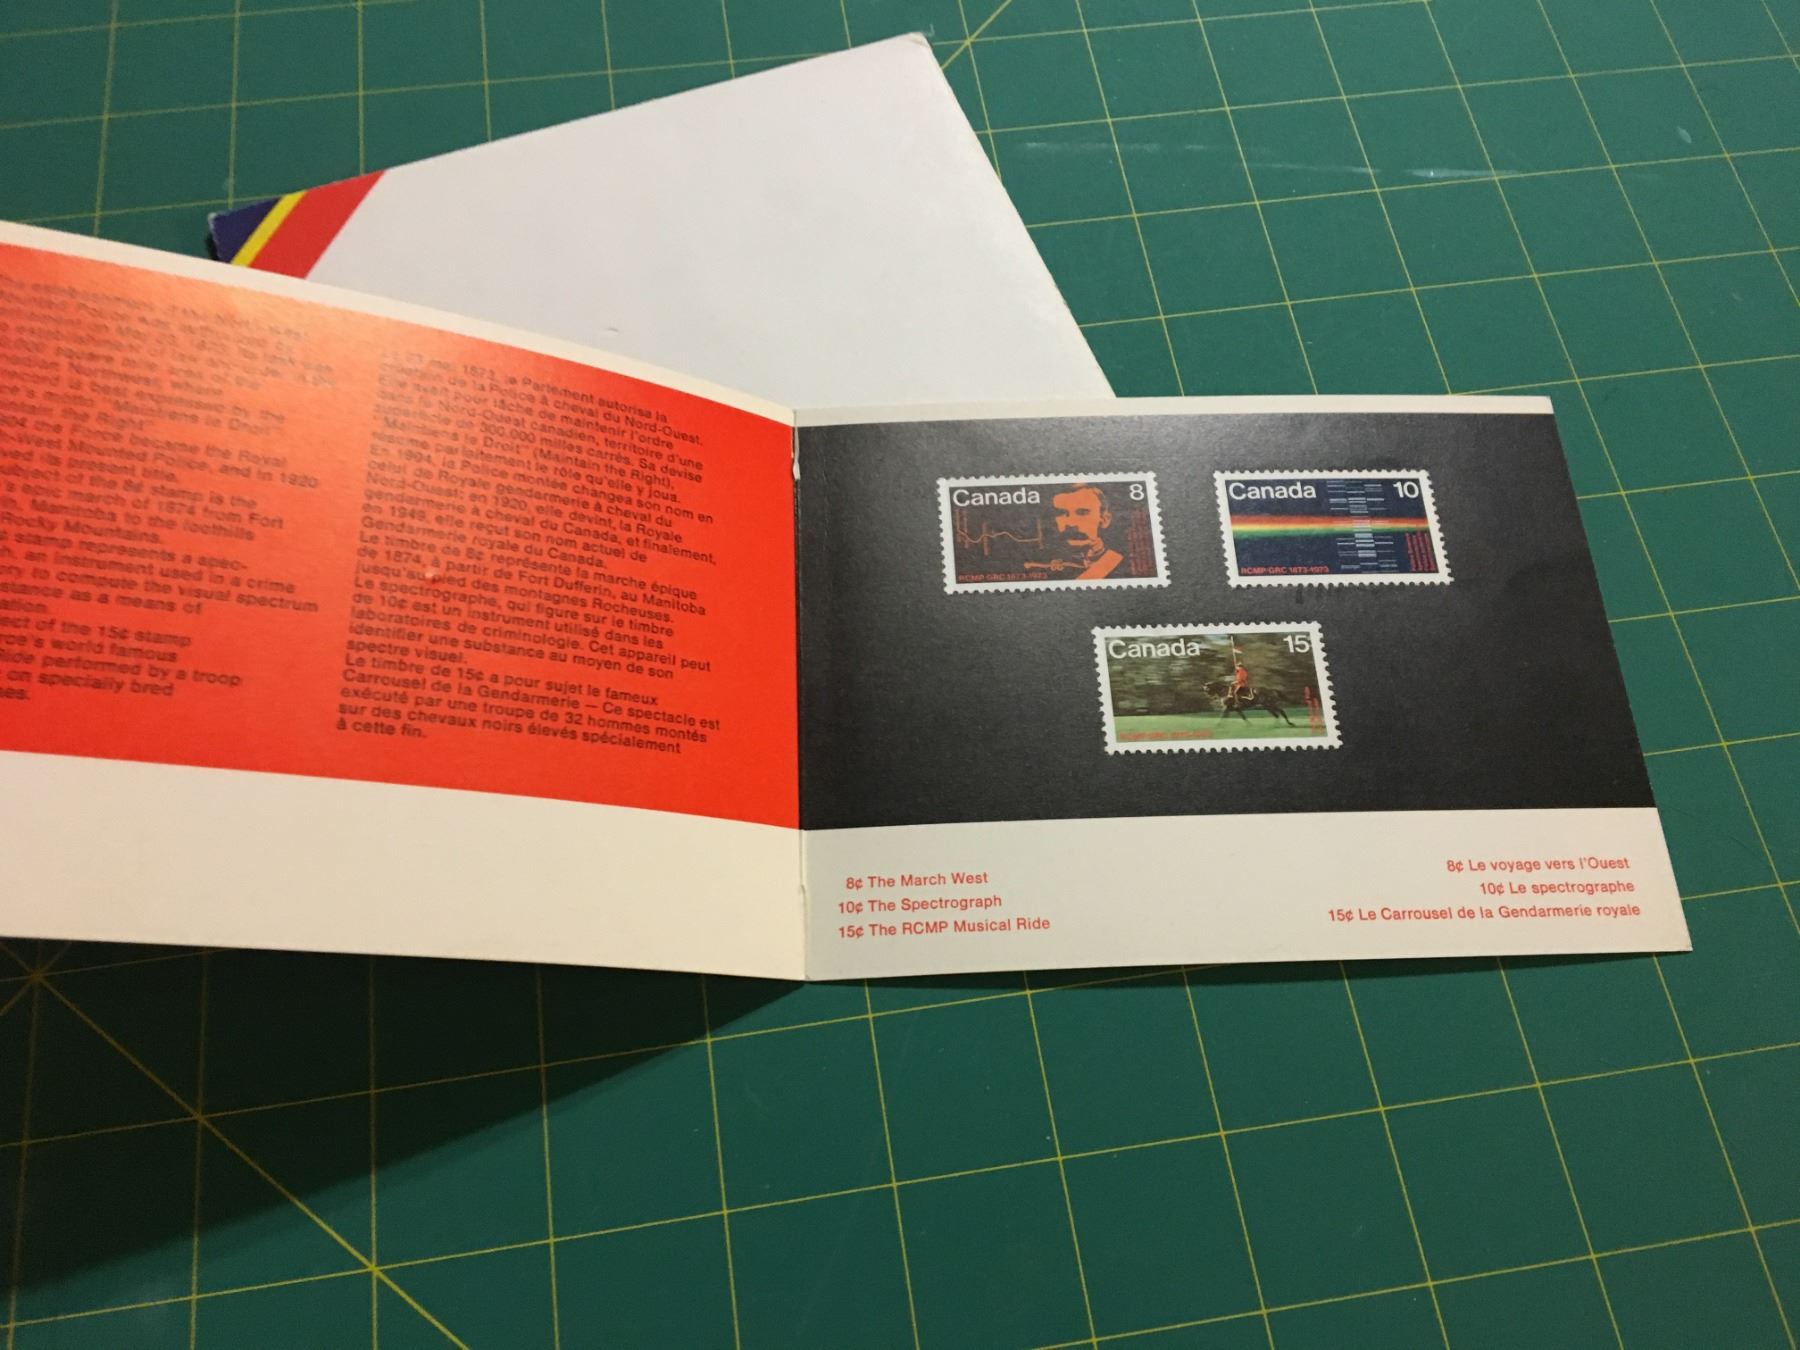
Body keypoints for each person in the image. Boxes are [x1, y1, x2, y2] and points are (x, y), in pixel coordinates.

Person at [1051, 482, 1124, 579]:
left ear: (1104, 520)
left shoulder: (1123, 564)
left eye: (1082, 513)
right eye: (1062, 513)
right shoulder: (1039, 565)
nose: (1071, 523)